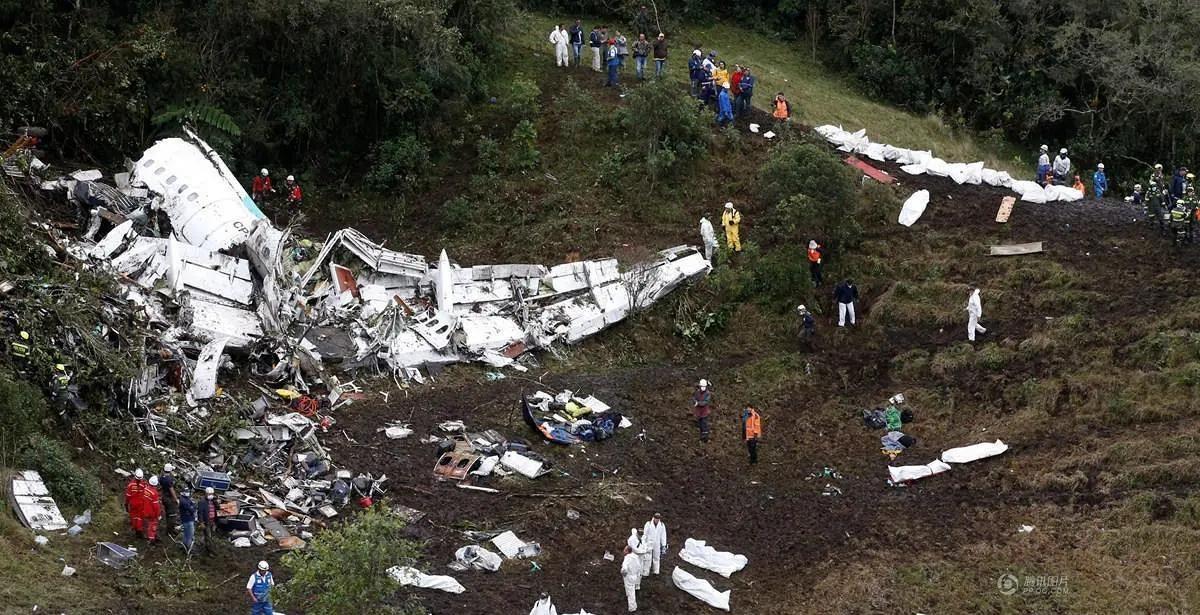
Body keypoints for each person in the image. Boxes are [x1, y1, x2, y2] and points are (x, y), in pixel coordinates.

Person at [124, 468, 147, 538]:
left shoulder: (130, 485)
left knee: (134, 517)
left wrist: (126, 504)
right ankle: (139, 531)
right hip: (141, 504)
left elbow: (128, 496)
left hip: (133, 504)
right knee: (140, 517)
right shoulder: (144, 484)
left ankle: (136, 529)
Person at [621, 545, 642, 612]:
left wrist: (622, 572)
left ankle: (632, 607)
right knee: (630, 589)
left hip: (629, 576)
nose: (623, 551)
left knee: (631, 592)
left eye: (624, 550)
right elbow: (639, 566)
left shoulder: (627, 558)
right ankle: (628, 596)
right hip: (635, 576)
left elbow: (624, 568)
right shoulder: (635, 556)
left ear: (627, 551)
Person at [198, 486, 218, 555]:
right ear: (206, 494)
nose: (210, 495)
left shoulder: (213, 500)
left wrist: (216, 501)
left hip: (213, 520)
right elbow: (200, 513)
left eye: (212, 494)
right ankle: (210, 551)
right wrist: (201, 522)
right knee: (208, 536)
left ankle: (208, 547)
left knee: (211, 536)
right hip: (206, 521)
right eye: (209, 494)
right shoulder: (202, 502)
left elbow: (218, 508)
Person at [159, 463, 178, 531]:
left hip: (164, 496)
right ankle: (170, 530)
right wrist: (176, 499)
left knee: (168, 513)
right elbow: (172, 490)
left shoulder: (161, 477)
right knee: (172, 514)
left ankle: (169, 527)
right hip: (169, 498)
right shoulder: (169, 480)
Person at [144, 475, 162, 543]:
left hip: (145, 510)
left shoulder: (145, 489)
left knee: (147, 523)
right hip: (152, 513)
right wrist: (158, 514)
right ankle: (151, 539)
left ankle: (148, 535)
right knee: (153, 525)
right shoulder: (154, 493)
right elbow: (156, 506)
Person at [178, 488, 196, 554]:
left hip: (187, 519)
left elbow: (192, 505)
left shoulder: (186, 498)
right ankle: (189, 549)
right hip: (187, 519)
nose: (188, 493)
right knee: (190, 534)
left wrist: (192, 506)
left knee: (186, 534)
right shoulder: (183, 500)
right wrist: (193, 506)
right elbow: (191, 509)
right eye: (186, 491)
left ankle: (184, 546)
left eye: (188, 491)